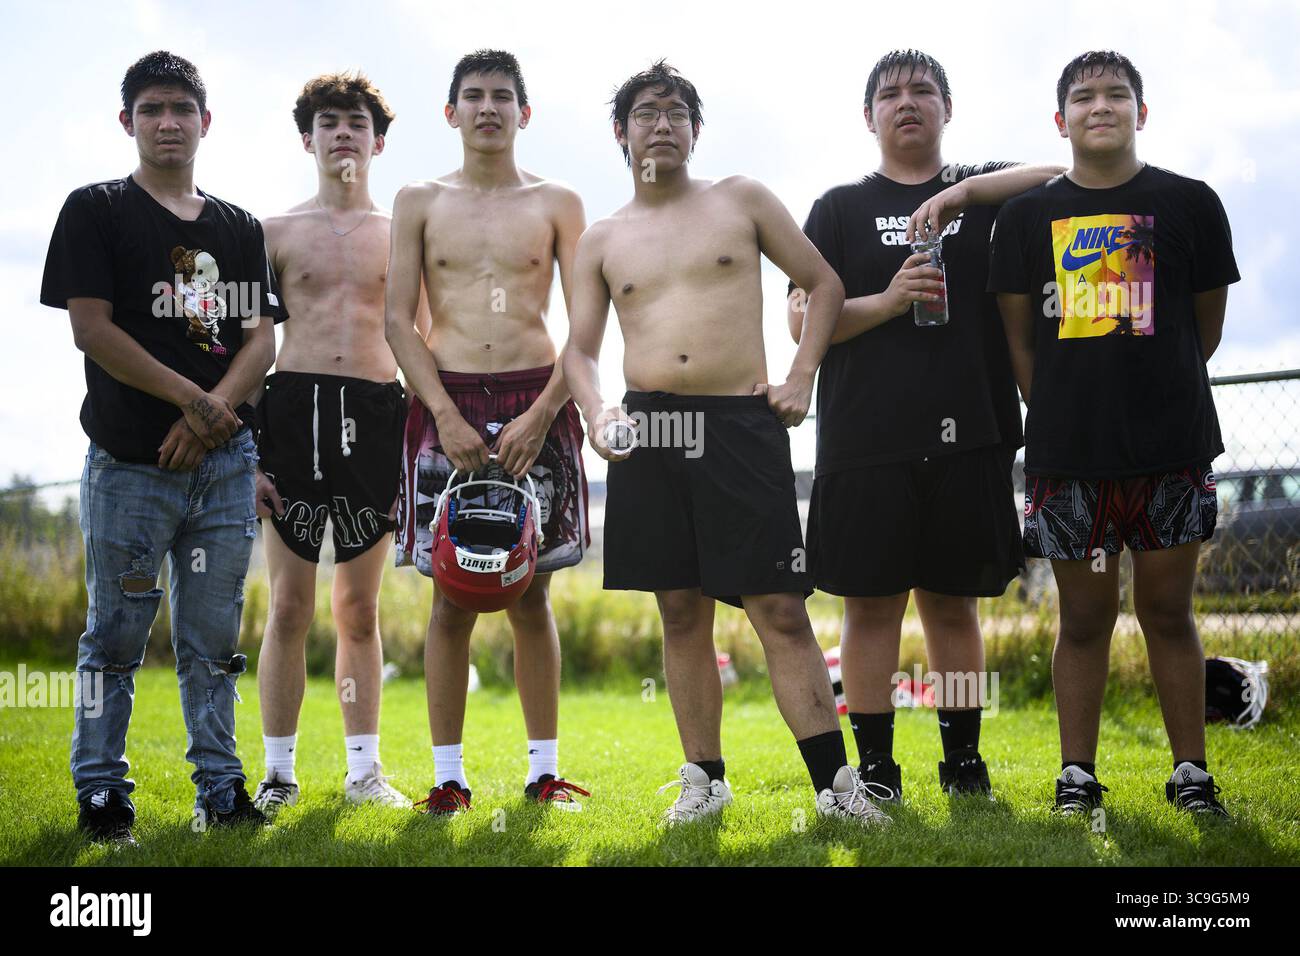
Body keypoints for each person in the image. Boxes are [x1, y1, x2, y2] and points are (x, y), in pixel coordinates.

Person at [562, 60, 890, 826]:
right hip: (648, 428)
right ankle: (704, 781)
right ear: (621, 132)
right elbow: (579, 349)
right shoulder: (603, 238)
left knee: (778, 608)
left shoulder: (739, 199)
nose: (663, 124)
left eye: (677, 111)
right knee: (680, 609)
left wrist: (802, 377)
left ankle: (837, 790)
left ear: (696, 129)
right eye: (646, 112)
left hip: (739, 426)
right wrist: (597, 412)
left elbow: (825, 283)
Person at [786, 50, 1062, 802]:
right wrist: (889, 299)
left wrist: (965, 191)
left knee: (953, 606)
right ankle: (876, 768)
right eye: (889, 94)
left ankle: (964, 762)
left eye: (923, 90)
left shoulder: (987, 198)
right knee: (871, 608)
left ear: (947, 108)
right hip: (865, 438)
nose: (906, 102)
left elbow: (1063, 175)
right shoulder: (837, 207)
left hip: (971, 431)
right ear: (868, 116)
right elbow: (801, 321)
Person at [40, 50, 286, 843]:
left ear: (205, 122)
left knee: (212, 643)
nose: (168, 122)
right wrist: (194, 401)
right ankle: (102, 795)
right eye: (151, 109)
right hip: (129, 469)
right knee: (114, 637)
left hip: (223, 471)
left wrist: (211, 416)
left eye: (182, 108)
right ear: (127, 122)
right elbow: (92, 329)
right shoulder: (97, 210)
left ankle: (221, 791)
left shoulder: (237, 227)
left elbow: (260, 343)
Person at [988, 50, 1237, 818]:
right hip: (1072, 461)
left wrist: (1149, 398)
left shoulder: (1191, 202)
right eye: (1085, 96)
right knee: (1086, 618)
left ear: (1141, 112)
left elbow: (1205, 331)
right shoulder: (1027, 217)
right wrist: (1068, 411)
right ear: (1059, 121)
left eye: (1118, 94)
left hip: (1171, 449)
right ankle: (1077, 777)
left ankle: (1191, 773)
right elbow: (1021, 344)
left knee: (1168, 613)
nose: (1102, 106)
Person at [386, 50, 591, 814]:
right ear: (451, 113)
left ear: (524, 114)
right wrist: (441, 411)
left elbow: (587, 326)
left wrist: (543, 416)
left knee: (532, 594)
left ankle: (543, 773)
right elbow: (397, 322)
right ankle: (449, 778)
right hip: (447, 400)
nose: (487, 108)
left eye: (503, 96)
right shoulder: (419, 200)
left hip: (538, 397)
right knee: (451, 597)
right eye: (472, 96)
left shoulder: (558, 202)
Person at [250, 72, 420, 817]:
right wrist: (250, 449)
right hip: (292, 413)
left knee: (358, 608)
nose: (343, 132)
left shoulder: (402, 234)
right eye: (328, 121)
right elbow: (253, 348)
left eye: (356, 121)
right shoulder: (272, 232)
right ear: (308, 138)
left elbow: (424, 338)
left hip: (378, 416)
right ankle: (278, 774)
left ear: (378, 141)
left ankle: (364, 773)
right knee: (289, 606)